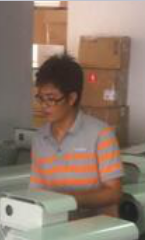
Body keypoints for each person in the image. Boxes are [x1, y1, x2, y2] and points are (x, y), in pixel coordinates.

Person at [30, 53, 123, 218]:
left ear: (72, 98)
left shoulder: (101, 134)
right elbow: (36, 191)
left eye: (51, 99)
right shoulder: (39, 138)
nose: (44, 105)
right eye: (40, 98)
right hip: (55, 224)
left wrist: (68, 201)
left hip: (94, 228)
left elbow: (114, 193)